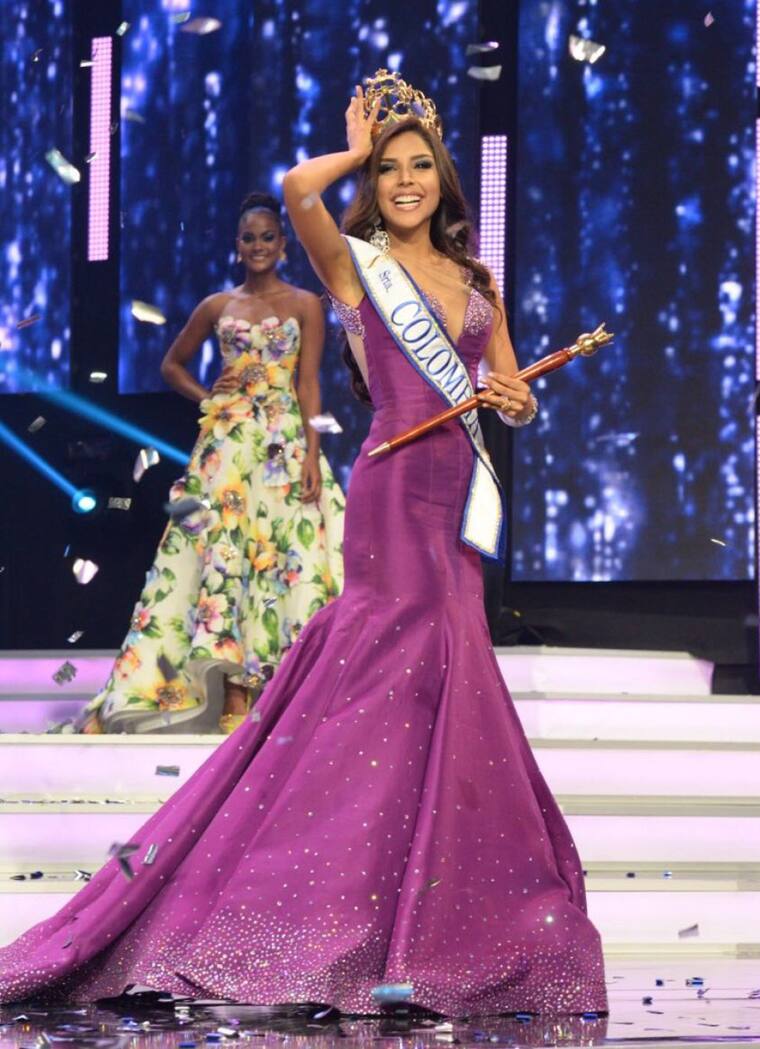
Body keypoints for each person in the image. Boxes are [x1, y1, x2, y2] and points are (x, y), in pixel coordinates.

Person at [0, 75, 606, 1017]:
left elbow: (508, 389)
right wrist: (355, 151)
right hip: (391, 496)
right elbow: (296, 190)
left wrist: (518, 398)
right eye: (389, 170)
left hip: (456, 501)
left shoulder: (478, 282)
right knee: (385, 676)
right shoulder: (356, 265)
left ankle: (424, 916)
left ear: (445, 179)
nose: (405, 182)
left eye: (419, 167)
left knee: (446, 679)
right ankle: (324, 904)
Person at [76, 192, 345, 735]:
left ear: (283, 244)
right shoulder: (218, 305)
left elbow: (309, 385)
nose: (258, 245)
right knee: (223, 558)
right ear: (237, 245)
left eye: (267, 236)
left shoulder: (305, 304)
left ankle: (277, 689)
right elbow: (171, 365)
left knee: (283, 558)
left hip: (283, 448)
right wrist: (208, 397)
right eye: (249, 237)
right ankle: (233, 694)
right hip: (226, 449)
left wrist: (313, 455)